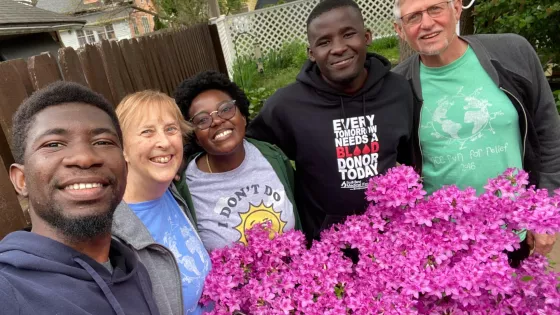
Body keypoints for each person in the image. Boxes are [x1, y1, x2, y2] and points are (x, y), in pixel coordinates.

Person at [392, 0, 560, 256]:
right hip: (444, 247)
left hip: (518, 234)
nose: (426, 23)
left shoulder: (512, 53)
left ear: (456, 8)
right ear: (400, 30)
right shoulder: (396, 88)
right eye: (413, 17)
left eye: (435, 8)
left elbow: (549, 133)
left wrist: (545, 211)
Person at [246, 0, 414, 241]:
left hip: (390, 240)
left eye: (348, 34)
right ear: (311, 53)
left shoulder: (398, 91)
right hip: (325, 252)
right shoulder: (287, 105)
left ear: (367, 36)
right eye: (324, 42)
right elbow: (248, 151)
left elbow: (413, 160)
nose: (338, 48)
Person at [0, 81, 160, 315]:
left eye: (103, 142)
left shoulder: (134, 269)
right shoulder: (8, 290)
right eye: (53, 144)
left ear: (125, 168)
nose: (85, 158)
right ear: (21, 180)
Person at [174, 70, 302, 252]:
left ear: (242, 115)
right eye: (202, 120)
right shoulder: (185, 185)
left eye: (225, 109)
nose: (217, 121)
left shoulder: (274, 158)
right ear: (195, 136)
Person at [112, 91, 210, 315]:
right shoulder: (113, 232)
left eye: (170, 129)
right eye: (147, 132)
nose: (164, 142)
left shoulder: (171, 192)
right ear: (122, 148)